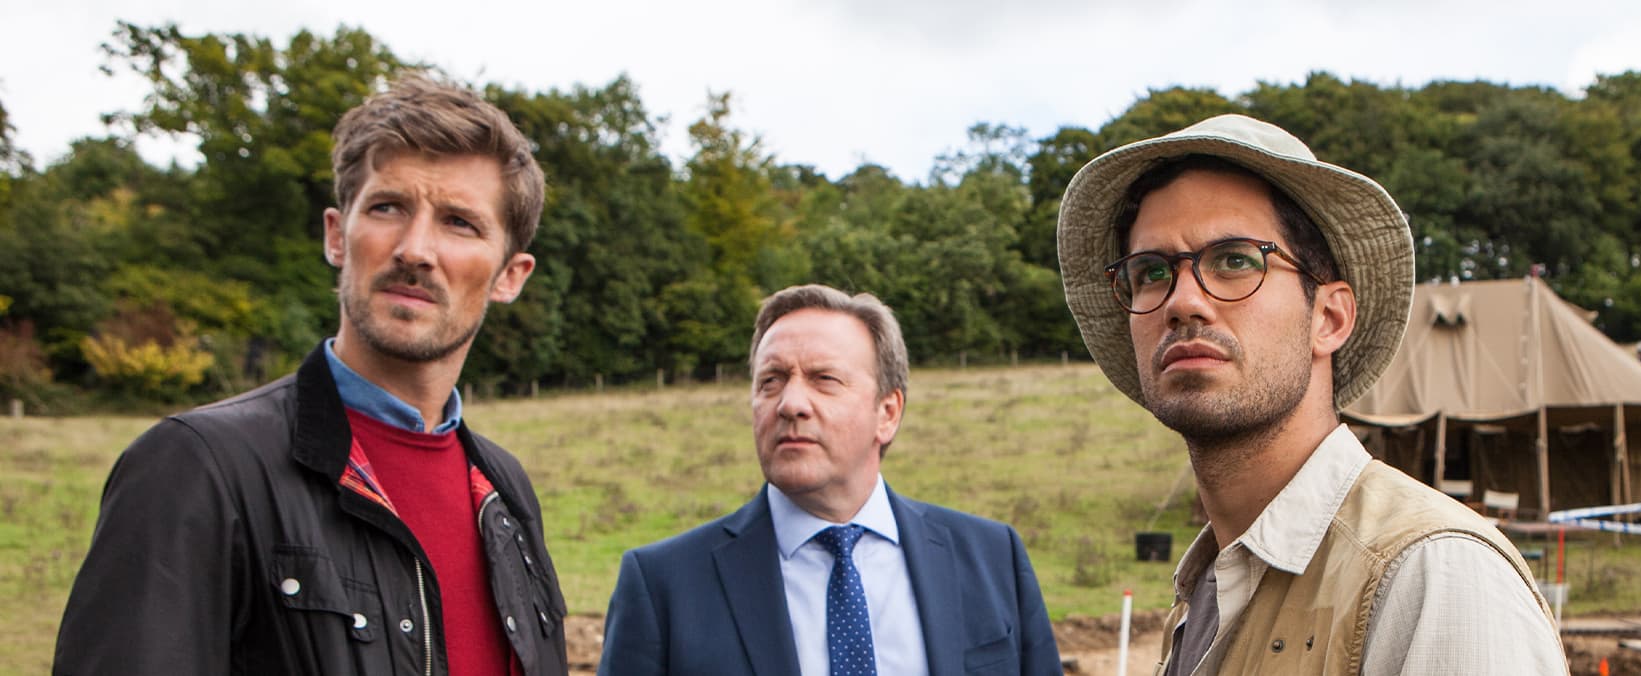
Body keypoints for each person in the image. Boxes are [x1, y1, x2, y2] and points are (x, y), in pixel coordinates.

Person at [54, 77, 568, 675]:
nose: (414, 249)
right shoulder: (199, 468)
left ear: (510, 275)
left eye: (459, 222)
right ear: (336, 236)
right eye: (387, 207)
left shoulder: (504, 490)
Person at [1055, 114, 1564, 674]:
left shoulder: (1434, 577)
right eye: (1151, 272)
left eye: (1235, 260)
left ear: (1329, 318)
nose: (1182, 301)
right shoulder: (1206, 591)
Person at [598, 284, 1062, 676]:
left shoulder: (993, 558)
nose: (790, 404)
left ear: (888, 412)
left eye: (823, 379)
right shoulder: (663, 586)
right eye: (771, 381)